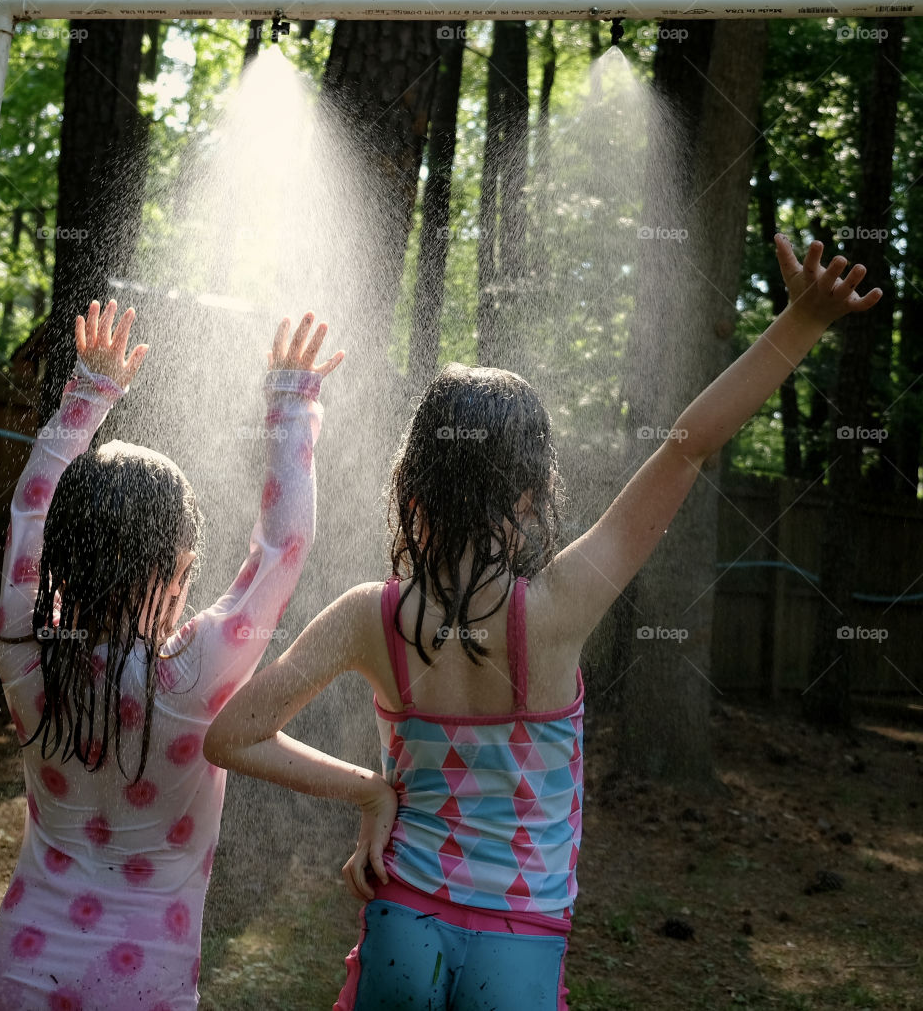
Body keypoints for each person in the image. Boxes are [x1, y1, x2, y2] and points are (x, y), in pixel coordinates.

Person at [203, 235, 881, 1011]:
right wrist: (798, 325)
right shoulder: (559, 610)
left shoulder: (372, 615)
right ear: (530, 497)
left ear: (412, 491)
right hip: (518, 944)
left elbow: (231, 736)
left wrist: (370, 793)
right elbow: (689, 448)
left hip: (402, 925)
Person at [0, 301, 343, 1011]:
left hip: (25, 965)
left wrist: (87, 397)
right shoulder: (194, 673)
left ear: (61, 555)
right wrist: (292, 405)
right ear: (178, 566)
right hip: (144, 982)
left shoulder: (26, 646)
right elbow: (284, 549)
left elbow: (27, 514)